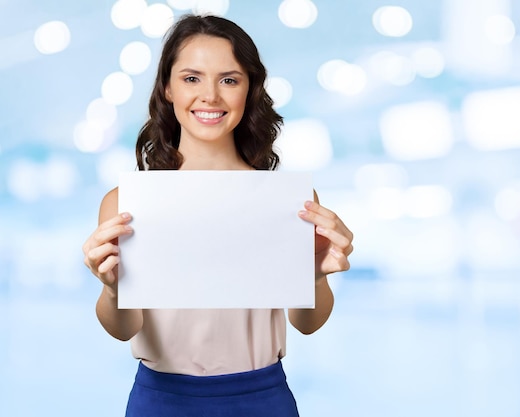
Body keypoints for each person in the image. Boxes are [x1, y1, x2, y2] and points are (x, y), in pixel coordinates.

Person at [81, 14, 353, 417]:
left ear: (249, 90)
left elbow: (307, 324)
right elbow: (124, 329)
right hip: (161, 400)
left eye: (229, 79)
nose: (210, 95)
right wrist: (112, 289)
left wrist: (315, 274)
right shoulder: (128, 202)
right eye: (192, 78)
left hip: (262, 397)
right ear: (167, 89)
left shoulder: (287, 199)